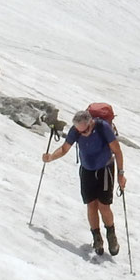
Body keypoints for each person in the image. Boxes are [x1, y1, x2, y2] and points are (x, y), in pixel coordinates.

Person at [41, 108, 125, 256]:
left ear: (91, 123)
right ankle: (97, 237)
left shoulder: (102, 128)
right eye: (80, 132)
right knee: (91, 204)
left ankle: (111, 235)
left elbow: (117, 151)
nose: (82, 134)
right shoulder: (76, 130)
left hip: (105, 169)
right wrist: (50, 158)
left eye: (85, 131)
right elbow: (65, 148)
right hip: (87, 170)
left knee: (103, 206)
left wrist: (120, 174)